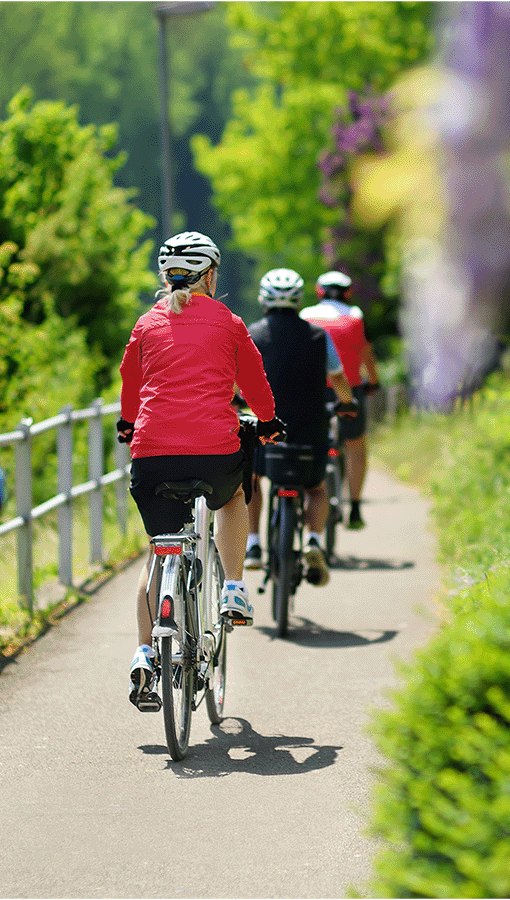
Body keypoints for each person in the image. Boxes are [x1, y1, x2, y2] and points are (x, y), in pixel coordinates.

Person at [118, 231, 284, 712]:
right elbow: (254, 381)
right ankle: (233, 587)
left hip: (151, 457)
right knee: (234, 497)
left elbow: (131, 385)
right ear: (210, 275)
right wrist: (269, 421)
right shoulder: (229, 322)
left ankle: (146, 652)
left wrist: (130, 425)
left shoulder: (146, 324)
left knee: (159, 552)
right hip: (214, 452)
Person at [244, 269, 357, 586]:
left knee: (252, 480)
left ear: (264, 300)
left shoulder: (253, 334)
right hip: (310, 426)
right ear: (298, 301)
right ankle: (313, 540)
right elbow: (337, 377)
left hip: (265, 427)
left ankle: (253, 545)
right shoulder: (318, 336)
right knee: (316, 487)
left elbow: (239, 379)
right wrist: (348, 403)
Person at [300, 270, 381, 530]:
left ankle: (303, 500)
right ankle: (355, 506)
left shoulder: (306, 315)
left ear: (319, 291)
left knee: (308, 442)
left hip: (312, 389)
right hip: (349, 388)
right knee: (355, 445)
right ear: (348, 292)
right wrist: (374, 380)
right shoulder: (355, 316)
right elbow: (365, 351)